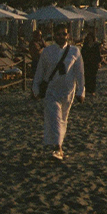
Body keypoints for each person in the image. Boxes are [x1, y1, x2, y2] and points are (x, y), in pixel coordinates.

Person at [32, 25, 85, 161]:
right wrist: (36, 89)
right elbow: (40, 71)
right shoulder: (47, 51)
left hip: (68, 92)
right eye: (59, 34)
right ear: (54, 35)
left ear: (68, 35)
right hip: (51, 90)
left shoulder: (75, 51)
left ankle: (58, 145)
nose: (61, 36)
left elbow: (79, 73)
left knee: (63, 119)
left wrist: (81, 91)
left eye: (64, 34)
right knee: (54, 116)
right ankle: (57, 148)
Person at [80, 29, 103, 96]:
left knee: (93, 77)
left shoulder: (95, 45)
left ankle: (92, 90)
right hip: (87, 62)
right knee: (87, 76)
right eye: (88, 37)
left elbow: (98, 54)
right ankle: (87, 90)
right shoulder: (85, 45)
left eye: (90, 37)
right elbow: (83, 54)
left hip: (94, 63)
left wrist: (99, 62)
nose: (89, 38)